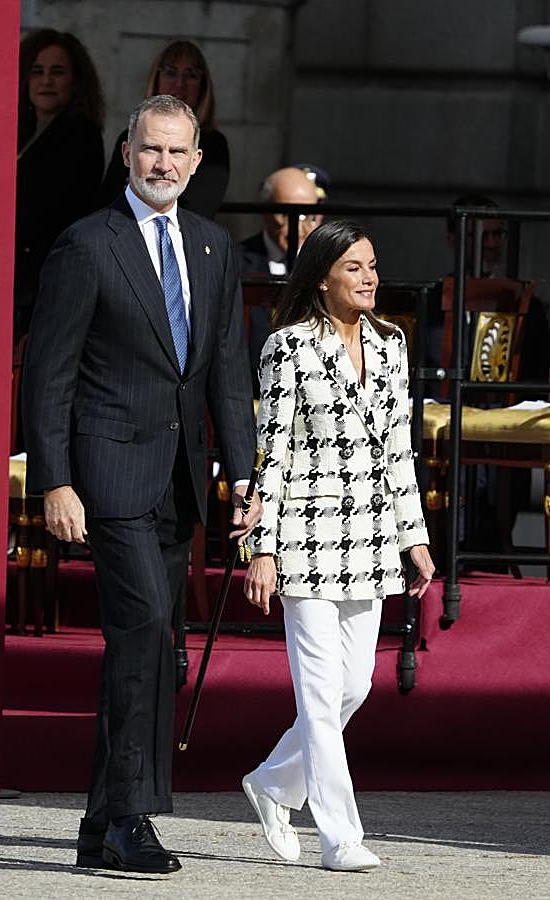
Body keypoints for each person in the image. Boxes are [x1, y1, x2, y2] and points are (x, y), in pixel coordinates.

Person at [21, 94, 260, 875]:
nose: (162, 164)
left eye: (176, 153)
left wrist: (249, 474)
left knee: (150, 644)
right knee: (148, 633)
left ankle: (99, 825)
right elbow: (47, 377)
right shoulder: (88, 245)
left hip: (181, 483)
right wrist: (54, 480)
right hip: (109, 477)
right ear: (127, 154)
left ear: (196, 162)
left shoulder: (216, 248)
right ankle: (130, 816)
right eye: (149, 150)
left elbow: (227, 374)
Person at [241, 220, 435, 872]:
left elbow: (400, 450)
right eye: (354, 267)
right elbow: (273, 456)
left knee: (356, 686)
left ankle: (274, 783)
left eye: (373, 266)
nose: (369, 278)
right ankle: (341, 836)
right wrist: (261, 548)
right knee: (321, 696)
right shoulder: (286, 348)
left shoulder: (391, 345)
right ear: (323, 275)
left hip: (370, 540)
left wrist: (415, 536)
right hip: (304, 538)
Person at [14, 28, 105, 342]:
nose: (46, 81)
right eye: (37, 71)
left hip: (46, 282)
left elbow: (52, 209)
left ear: (76, 81)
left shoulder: (79, 134)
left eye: (58, 72)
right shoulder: (19, 132)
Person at [101, 40, 229, 218]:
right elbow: (108, 198)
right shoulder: (130, 135)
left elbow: (199, 209)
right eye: (170, 72)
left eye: (191, 75)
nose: (179, 83)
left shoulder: (214, 144)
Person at [238, 167, 321, 396]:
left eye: (309, 215)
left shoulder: (330, 264)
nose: (300, 225)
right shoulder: (236, 262)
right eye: (286, 214)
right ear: (266, 212)